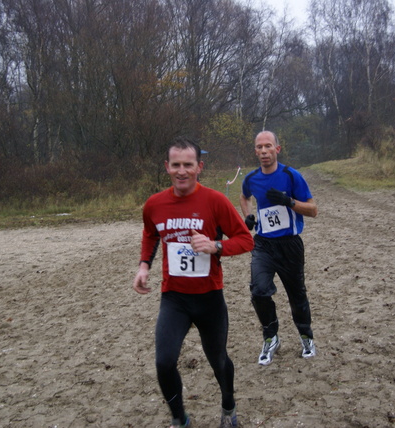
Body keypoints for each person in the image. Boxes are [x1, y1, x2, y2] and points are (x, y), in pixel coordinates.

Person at [133, 137, 254, 428]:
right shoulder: (154, 204)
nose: (182, 171)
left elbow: (246, 240)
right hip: (174, 298)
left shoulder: (215, 201)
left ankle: (228, 407)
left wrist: (216, 246)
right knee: (163, 362)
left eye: (188, 165)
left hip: (209, 297)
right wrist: (144, 266)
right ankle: (179, 418)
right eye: (176, 165)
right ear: (167, 167)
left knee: (219, 361)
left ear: (199, 167)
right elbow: (151, 233)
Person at [239, 130, 318, 366]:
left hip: (290, 245)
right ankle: (271, 337)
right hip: (263, 244)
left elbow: (313, 210)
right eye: (259, 147)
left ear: (277, 149)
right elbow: (244, 197)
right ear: (255, 151)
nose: (264, 151)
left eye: (268, 146)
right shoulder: (251, 178)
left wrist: (290, 202)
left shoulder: (291, 176)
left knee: (297, 295)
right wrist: (249, 216)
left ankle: (306, 336)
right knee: (258, 291)